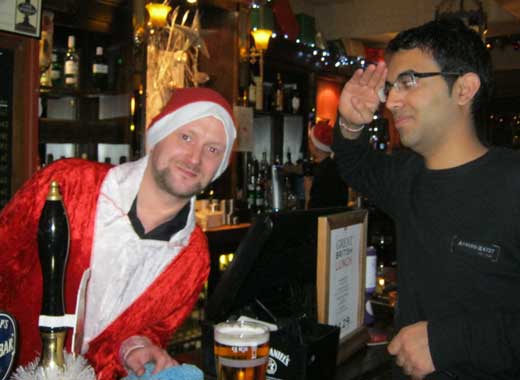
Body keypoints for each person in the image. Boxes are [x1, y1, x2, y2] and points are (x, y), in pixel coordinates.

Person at [0, 87, 237, 379]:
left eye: (213, 150)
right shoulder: (67, 186)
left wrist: (136, 347)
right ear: (157, 137)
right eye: (186, 137)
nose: (194, 158)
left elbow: (151, 331)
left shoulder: (193, 257)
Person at [333, 18, 520, 379]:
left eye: (408, 82)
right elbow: (355, 164)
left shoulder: (513, 183)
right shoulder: (409, 176)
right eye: (390, 87)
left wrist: (449, 342)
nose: (391, 101)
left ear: (464, 89)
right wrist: (351, 123)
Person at [305, 119, 349, 209]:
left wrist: (307, 192)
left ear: (315, 146)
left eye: (310, 141)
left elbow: (311, 213)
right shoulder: (336, 167)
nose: (308, 143)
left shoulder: (321, 173)